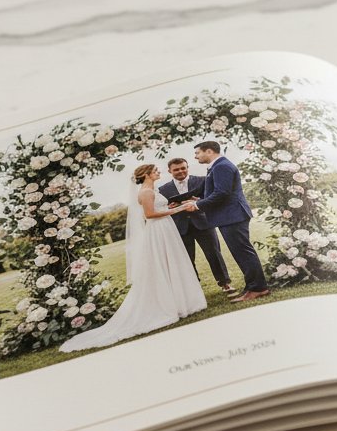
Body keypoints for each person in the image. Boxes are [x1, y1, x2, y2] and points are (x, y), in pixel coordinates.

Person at [60, 164, 207, 352]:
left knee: (173, 264)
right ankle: (172, 304)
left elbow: (157, 207)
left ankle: (182, 301)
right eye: (155, 171)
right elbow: (150, 214)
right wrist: (179, 210)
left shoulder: (151, 189)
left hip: (165, 228)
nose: (158, 173)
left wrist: (171, 206)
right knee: (164, 264)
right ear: (146, 174)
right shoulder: (145, 191)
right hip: (159, 230)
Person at [183, 141, 271, 302]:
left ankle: (258, 288)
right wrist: (200, 199)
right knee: (241, 252)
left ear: (209, 151)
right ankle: (252, 286)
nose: (195, 156)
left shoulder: (221, 166)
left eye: (197, 153)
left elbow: (222, 193)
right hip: (230, 216)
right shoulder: (218, 166)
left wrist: (197, 205)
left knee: (243, 252)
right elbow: (218, 192)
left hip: (233, 216)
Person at [160, 157, 234, 295]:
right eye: (176, 169)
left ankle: (225, 284)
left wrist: (199, 201)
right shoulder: (163, 189)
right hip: (180, 227)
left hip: (204, 223)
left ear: (187, 167)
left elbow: (213, 198)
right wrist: (169, 207)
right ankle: (195, 290)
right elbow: (160, 209)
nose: (181, 171)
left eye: (183, 168)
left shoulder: (202, 180)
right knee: (187, 259)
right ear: (169, 171)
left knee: (214, 254)